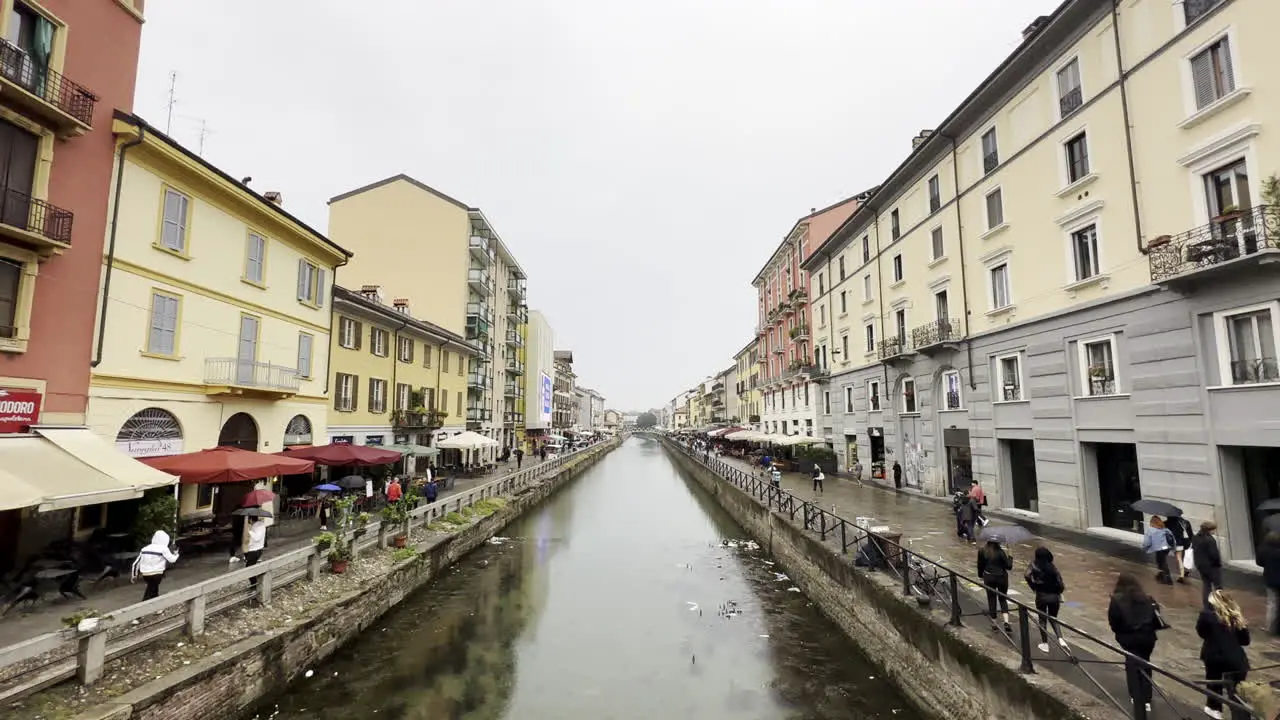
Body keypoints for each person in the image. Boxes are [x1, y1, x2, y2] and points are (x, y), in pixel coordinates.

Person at [1108, 572, 1160, 715]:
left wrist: (1120, 634)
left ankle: (1137, 699)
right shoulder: (1148, 598)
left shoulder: (1116, 600)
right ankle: (1147, 699)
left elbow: (1113, 622)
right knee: (1146, 663)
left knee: (1132, 666)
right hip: (1148, 639)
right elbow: (1156, 619)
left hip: (1128, 639)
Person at [1197, 589, 1251, 720]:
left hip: (1214, 656)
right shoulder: (1237, 617)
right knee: (1237, 692)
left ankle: (1215, 709)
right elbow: (1245, 641)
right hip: (1236, 659)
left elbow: (1201, 632)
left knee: (1213, 682)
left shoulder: (1206, 616)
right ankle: (1240, 716)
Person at [1025, 546, 1068, 653]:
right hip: (1054, 597)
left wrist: (1033, 586)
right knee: (1053, 618)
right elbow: (1060, 583)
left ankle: (1045, 644)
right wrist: (1058, 592)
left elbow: (1026, 575)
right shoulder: (1052, 568)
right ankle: (1060, 639)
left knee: (1042, 619)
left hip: (1041, 596)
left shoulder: (1034, 566)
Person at [977, 540, 1013, 633]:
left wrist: (980, 575)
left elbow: (980, 565)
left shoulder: (982, 551)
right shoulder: (1000, 552)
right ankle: (1006, 621)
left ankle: (994, 623)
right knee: (1003, 598)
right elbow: (1009, 566)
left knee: (991, 598)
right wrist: (1010, 555)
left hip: (989, 577)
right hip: (1002, 578)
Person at [132, 531, 179, 600]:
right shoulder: (163, 549)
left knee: (153, 588)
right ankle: (145, 603)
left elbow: (136, 563)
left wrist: (134, 575)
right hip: (157, 573)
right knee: (151, 589)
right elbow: (172, 560)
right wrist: (176, 554)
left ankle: (155, 602)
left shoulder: (144, 549)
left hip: (145, 574)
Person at [1194, 521, 1225, 607]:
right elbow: (1214, 555)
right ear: (1209, 530)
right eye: (1213, 530)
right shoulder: (1210, 540)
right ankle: (1221, 604)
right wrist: (1218, 564)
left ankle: (1207, 604)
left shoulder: (1196, 538)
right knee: (1218, 586)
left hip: (1201, 566)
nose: (1214, 531)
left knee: (1206, 585)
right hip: (1212, 566)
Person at [1256, 532, 1280, 636]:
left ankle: (1270, 628)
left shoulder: (1263, 550)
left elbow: (1259, 563)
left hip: (1270, 580)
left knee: (1272, 604)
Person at [1143, 516, 1176, 585]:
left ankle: (1167, 578)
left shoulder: (1151, 530)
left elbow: (1147, 542)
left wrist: (1145, 547)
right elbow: (1172, 538)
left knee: (1161, 562)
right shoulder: (1165, 529)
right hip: (1166, 547)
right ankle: (1161, 575)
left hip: (1159, 548)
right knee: (1161, 561)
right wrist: (1173, 547)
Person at [1169, 513, 1194, 584]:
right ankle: (1187, 570)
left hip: (1178, 543)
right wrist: (1191, 541)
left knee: (1179, 558)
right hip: (1187, 541)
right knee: (1186, 556)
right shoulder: (1186, 522)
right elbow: (1191, 533)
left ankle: (1182, 575)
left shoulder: (1172, 523)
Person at [243, 517, 267, 587]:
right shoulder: (260, 524)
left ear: (250, 520)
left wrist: (249, 531)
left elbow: (257, 538)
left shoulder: (257, 526)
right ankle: (255, 583)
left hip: (255, 550)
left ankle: (255, 584)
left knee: (249, 568)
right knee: (250, 567)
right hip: (256, 549)